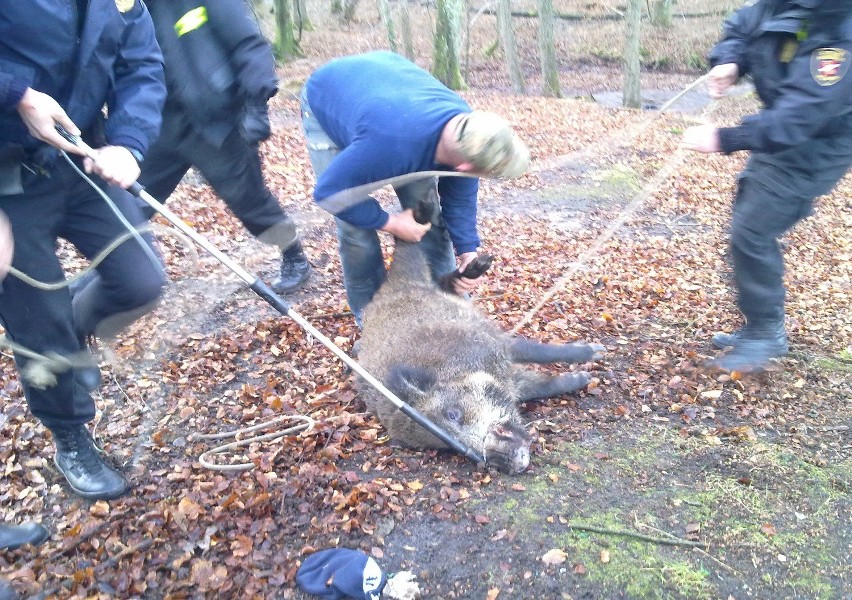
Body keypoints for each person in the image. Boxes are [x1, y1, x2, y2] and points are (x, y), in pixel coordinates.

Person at [0, 0, 167, 500]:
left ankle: (67, 333)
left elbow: (142, 65)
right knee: (37, 321)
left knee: (141, 279)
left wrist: (128, 142)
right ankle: (69, 434)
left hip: (82, 158)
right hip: (8, 176)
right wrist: (16, 93)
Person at [301, 51, 530, 326]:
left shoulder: (471, 135)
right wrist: (391, 222)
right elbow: (331, 194)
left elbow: (459, 199)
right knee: (355, 229)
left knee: (426, 212)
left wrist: (467, 249)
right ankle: (374, 321)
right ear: (467, 166)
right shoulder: (391, 143)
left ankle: (450, 311)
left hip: (389, 101)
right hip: (330, 97)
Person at [683, 0, 852, 372]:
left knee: (752, 232)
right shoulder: (782, 3)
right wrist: (731, 60)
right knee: (747, 218)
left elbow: (803, 113)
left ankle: (765, 333)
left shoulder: (841, 32)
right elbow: (743, 24)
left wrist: (726, 137)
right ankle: (757, 325)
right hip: (778, 131)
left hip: (818, 147)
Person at [121, 0, 311, 294]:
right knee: (129, 200)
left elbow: (249, 44)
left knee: (252, 202)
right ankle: (114, 279)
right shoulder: (128, 9)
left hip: (218, 123)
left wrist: (256, 105)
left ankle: (293, 254)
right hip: (160, 125)